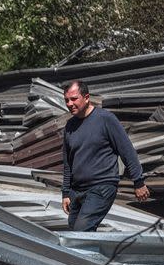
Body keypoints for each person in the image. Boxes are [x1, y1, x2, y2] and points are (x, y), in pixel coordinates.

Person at [61, 80, 150, 231]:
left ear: (86, 97)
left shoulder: (105, 119)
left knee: (81, 231)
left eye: (74, 99)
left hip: (102, 186)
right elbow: (68, 163)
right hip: (77, 191)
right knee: (73, 230)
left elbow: (127, 150)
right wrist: (65, 192)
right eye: (66, 100)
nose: (69, 103)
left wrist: (138, 181)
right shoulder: (70, 126)